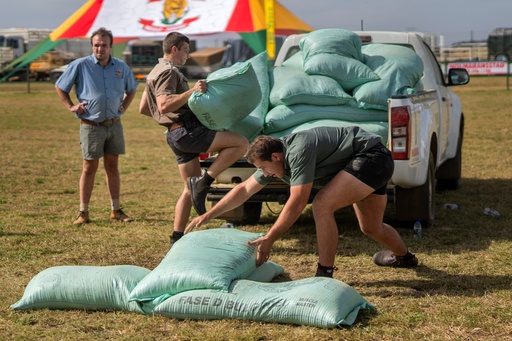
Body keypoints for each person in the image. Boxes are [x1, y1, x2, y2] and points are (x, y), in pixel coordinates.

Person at [185, 126, 418, 277]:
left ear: (275, 157)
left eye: (264, 167)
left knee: (322, 205)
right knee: (371, 227)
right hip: (365, 163)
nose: (264, 173)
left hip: (371, 158)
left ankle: (324, 272)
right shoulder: (276, 158)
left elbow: (297, 202)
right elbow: (245, 189)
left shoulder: (298, 150)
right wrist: (209, 214)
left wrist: (270, 237)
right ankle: (405, 258)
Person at [139, 32, 249, 246]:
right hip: (186, 132)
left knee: (188, 189)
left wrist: (168, 120)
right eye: (186, 50)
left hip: (174, 135)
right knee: (241, 143)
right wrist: (192, 92)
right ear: (175, 49)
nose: (188, 56)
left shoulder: (154, 71)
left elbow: (145, 108)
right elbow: (162, 105)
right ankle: (205, 182)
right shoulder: (169, 72)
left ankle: (176, 237)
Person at [55, 27, 138, 225]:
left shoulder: (120, 67)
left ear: (111, 46)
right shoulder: (80, 65)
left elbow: (132, 89)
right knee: (89, 168)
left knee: (112, 166)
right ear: (92, 46)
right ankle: (83, 213)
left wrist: (124, 107)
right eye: (96, 45)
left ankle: (116, 210)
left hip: (114, 125)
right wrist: (71, 106)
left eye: (104, 45)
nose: (100, 49)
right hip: (91, 125)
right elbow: (60, 86)